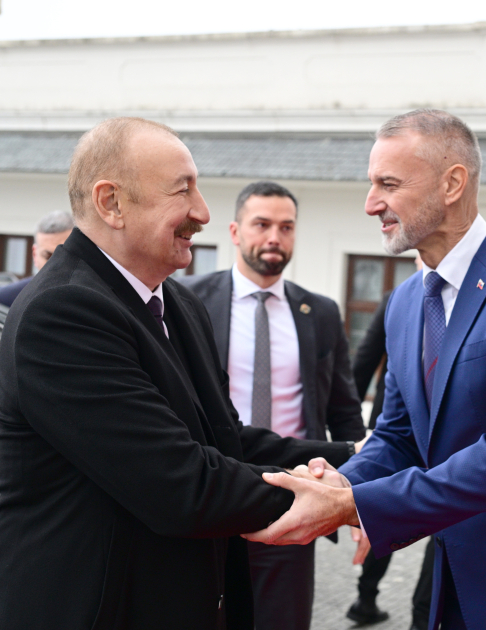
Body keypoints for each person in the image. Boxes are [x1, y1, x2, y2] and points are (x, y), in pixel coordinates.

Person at [244, 109, 486, 630]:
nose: (371, 204)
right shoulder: (406, 302)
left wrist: (350, 505)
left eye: (388, 184)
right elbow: (399, 437)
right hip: (454, 584)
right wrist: (339, 481)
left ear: (452, 183)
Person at [0, 118, 357, 630]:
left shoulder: (177, 302)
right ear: (111, 203)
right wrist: (342, 501)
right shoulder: (62, 311)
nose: (203, 212)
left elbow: (225, 440)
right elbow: (182, 485)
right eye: (183, 190)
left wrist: (357, 458)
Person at [181, 180, 366, 630]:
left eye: (286, 227)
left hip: (295, 496)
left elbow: (344, 411)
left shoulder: (320, 313)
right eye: (261, 224)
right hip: (213, 494)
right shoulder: (187, 301)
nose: (274, 238)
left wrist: (361, 495)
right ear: (234, 231)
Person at [346, 263, 434, 630]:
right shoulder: (398, 299)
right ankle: (368, 598)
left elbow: (362, 364)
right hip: (393, 426)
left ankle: (410, 608)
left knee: (395, 513)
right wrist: (356, 438)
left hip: (442, 439)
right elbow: (363, 362)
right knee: (381, 512)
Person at [0, 210, 74, 306]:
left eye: (64, 255)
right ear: (34, 254)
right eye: (47, 256)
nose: (55, 264)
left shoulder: (84, 301)